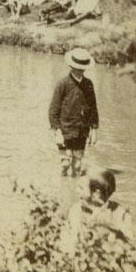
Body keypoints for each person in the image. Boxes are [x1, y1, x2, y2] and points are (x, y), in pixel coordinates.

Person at [49, 48, 100, 178]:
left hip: (82, 130)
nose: (80, 70)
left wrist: (94, 130)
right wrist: (57, 131)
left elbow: (93, 108)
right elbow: (53, 110)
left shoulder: (88, 84)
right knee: (65, 164)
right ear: (71, 66)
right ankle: (63, 186)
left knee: (77, 165)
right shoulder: (63, 84)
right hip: (65, 129)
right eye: (78, 67)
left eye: (82, 68)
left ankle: (73, 188)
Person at [64, 169, 136, 245]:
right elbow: (72, 239)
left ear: (97, 193)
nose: (76, 190)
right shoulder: (76, 209)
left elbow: (129, 242)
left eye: (81, 188)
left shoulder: (120, 212)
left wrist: (112, 235)